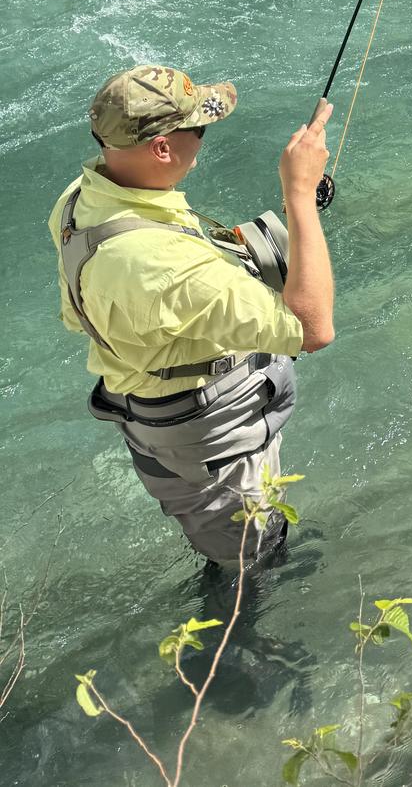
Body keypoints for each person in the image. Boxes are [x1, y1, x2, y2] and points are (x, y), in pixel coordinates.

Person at [48, 64, 335, 564]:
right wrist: (299, 197)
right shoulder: (163, 267)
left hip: (155, 415)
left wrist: (295, 213)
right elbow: (313, 330)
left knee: (234, 546)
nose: (202, 140)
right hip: (208, 439)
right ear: (161, 148)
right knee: (254, 564)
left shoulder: (80, 200)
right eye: (197, 128)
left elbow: (176, 272)